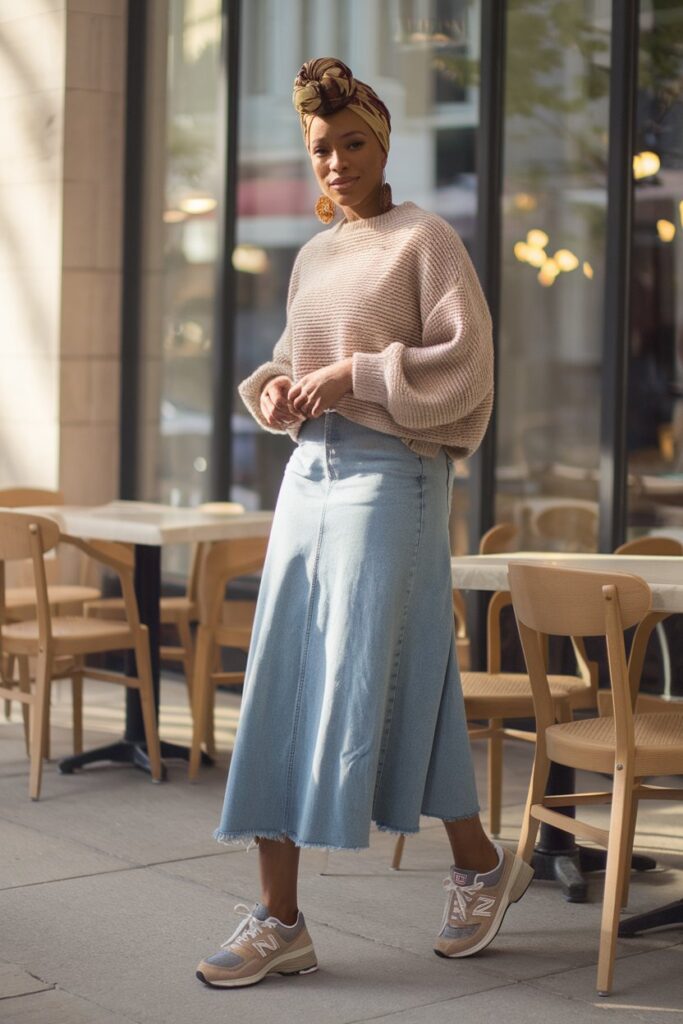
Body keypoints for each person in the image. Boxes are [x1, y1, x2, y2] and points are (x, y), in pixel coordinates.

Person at [196, 57, 532, 990]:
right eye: (321, 149)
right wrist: (276, 393)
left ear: (383, 146)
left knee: (373, 678)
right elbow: (286, 359)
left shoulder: (424, 239)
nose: (336, 162)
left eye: (352, 144)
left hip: (396, 477)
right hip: (310, 475)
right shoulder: (312, 255)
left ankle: (469, 868)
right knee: (286, 673)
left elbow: (466, 367)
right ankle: (286, 916)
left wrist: (352, 375)